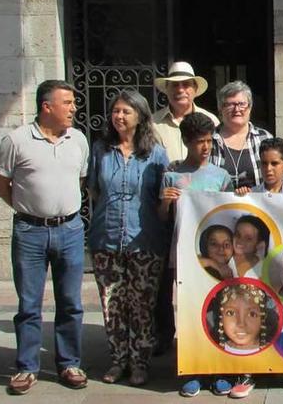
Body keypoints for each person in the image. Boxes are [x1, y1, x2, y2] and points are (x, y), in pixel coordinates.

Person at [0, 80, 90, 395]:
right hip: (29, 232)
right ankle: (27, 367)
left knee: (71, 302)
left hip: (71, 230)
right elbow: (0, 184)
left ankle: (69, 363)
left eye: (74, 102)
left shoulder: (79, 139)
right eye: (67, 103)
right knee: (30, 303)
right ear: (47, 107)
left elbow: (81, 180)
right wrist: (29, 209)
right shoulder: (16, 141)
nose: (74, 108)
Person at [87, 90, 169, 387]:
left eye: (126, 111)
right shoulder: (100, 149)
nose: (119, 116)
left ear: (140, 116)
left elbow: (161, 197)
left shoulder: (156, 153)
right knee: (112, 304)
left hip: (144, 239)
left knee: (142, 305)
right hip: (106, 238)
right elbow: (95, 190)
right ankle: (118, 360)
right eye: (116, 111)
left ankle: (140, 363)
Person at [157, 113, 233, 398]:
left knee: (218, 308)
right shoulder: (172, 174)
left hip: (216, 257)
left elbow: (230, 214)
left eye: (208, 141)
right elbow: (162, 217)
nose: (205, 147)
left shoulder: (221, 176)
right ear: (186, 141)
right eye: (199, 142)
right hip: (185, 255)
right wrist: (165, 202)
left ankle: (220, 368)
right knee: (188, 312)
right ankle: (192, 369)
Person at [151, 62, 219, 355]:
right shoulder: (153, 124)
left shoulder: (210, 120)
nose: (181, 89)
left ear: (194, 89)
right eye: (175, 85)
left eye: (186, 85)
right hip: (173, 212)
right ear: (167, 90)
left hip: (205, 221)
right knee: (167, 285)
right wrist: (165, 198)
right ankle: (167, 339)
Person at [210, 81, 272, 194]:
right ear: (220, 108)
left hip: (257, 209)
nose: (237, 109)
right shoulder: (209, 140)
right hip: (219, 208)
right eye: (230, 104)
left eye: (242, 104)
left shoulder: (265, 138)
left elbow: (276, 180)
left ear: (250, 107)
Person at [215, 284, 269, 355]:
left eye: (252, 314)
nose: (241, 324)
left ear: (262, 318)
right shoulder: (213, 354)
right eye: (231, 313)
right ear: (221, 317)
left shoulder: (274, 354)